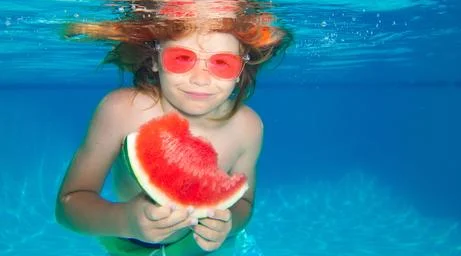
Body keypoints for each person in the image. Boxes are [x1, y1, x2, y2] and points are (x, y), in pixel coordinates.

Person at [55, 14, 290, 255]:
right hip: (129, 241)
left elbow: (244, 203)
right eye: (182, 58)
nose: (200, 79)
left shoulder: (248, 127)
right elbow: (68, 206)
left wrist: (228, 224)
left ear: (241, 69)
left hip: (204, 247)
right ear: (155, 59)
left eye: (222, 63)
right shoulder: (122, 110)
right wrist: (125, 220)